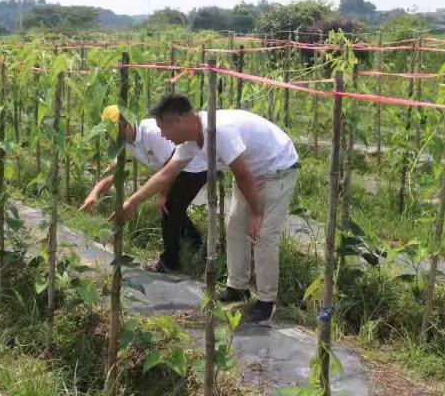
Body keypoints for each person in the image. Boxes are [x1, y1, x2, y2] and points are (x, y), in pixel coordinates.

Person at [121, 94, 298, 323]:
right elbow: (166, 174)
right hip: (251, 173)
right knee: (234, 225)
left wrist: (256, 213)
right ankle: (238, 288)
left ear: (178, 121)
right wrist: (132, 201)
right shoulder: (190, 142)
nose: (163, 135)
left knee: (263, 234)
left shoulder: (218, 130)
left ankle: (267, 302)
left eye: (163, 129)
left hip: (277, 169)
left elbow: (242, 175)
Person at [81, 105, 207, 273]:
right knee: (174, 209)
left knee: (168, 206)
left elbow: (170, 163)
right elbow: (114, 173)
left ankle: (170, 261)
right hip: (174, 169)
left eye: (117, 128)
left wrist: (163, 195)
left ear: (127, 124)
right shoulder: (125, 142)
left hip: (193, 167)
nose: (113, 135)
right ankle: (197, 243)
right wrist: (94, 193)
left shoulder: (152, 132)